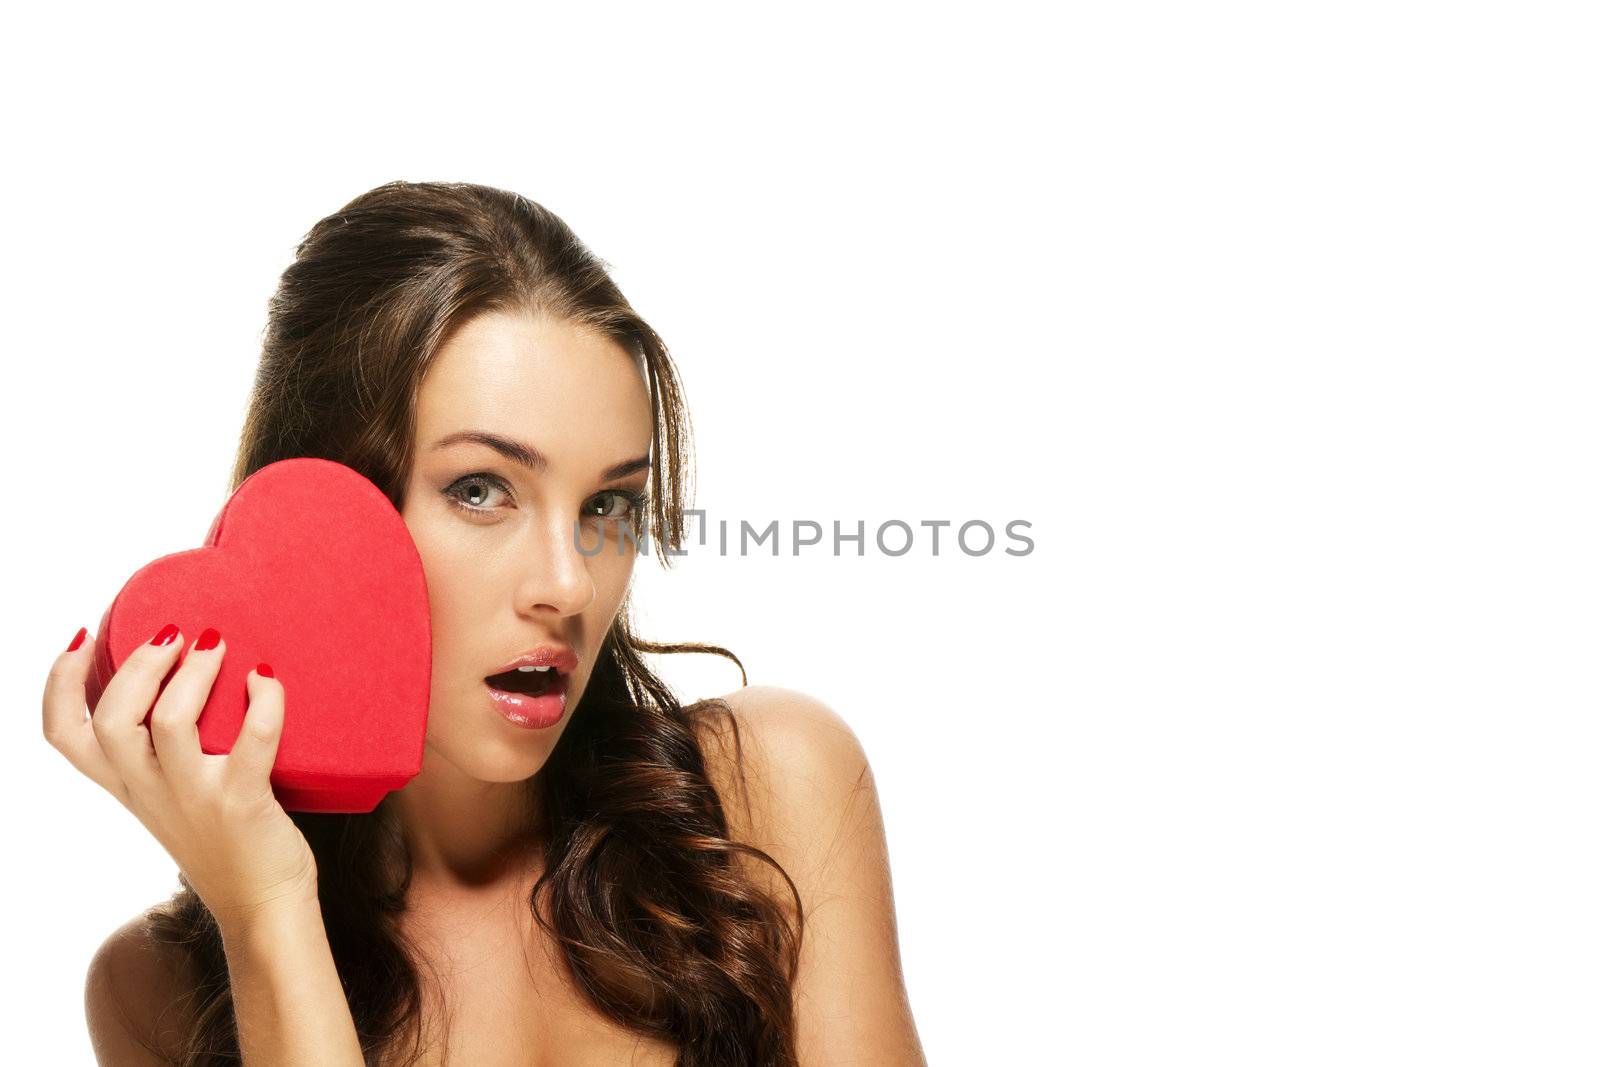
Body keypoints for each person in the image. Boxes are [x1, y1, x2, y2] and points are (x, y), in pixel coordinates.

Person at [43, 181, 926, 1066]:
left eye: (608, 503)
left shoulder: (771, 796)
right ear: (322, 517)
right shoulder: (158, 989)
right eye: (480, 490)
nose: (568, 585)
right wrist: (269, 909)